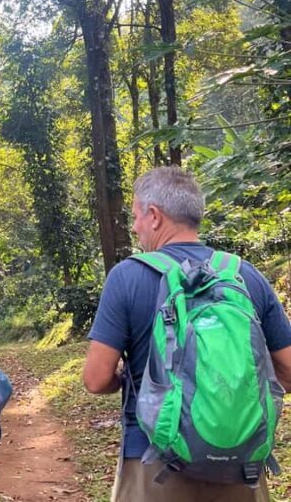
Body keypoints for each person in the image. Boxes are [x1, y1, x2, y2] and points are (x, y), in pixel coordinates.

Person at [83, 166, 291, 502]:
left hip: (154, 464)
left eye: (135, 217)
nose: (134, 227)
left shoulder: (127, 277)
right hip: (241, 466)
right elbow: (289, 371)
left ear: (154, 216)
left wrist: (126, 379)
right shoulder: (245, 276)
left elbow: (95, 379)